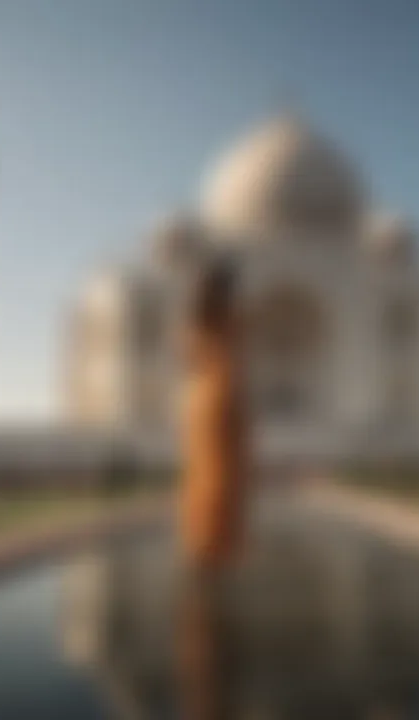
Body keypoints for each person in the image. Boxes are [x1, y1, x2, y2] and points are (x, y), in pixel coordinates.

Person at [176, 258, 248, 720]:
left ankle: (206, 588)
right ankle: (206, 597)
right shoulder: (214, 329)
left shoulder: (207, 327)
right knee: (215, 490)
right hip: (215, 407)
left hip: (211, 405)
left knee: (216, 490)